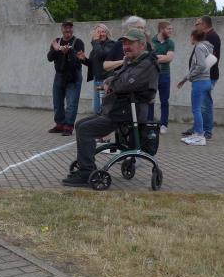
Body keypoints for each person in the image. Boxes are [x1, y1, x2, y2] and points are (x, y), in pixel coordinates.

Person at [62, 28, 159, 187]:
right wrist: (109, 82)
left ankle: (86, 172)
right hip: (118, 109)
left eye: (130, 43)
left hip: (129, 112)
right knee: (80, 125)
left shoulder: (147, 63)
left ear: (142, 45)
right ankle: (86, 165)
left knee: (86, 129)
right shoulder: (132, 61)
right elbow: (116, 77)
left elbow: (124, 84)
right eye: (124, 43)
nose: (126, 47)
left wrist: (111, 83)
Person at [182, 16, 220, 139]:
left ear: (204, 25)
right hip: (203, 77)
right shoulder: (205, 38)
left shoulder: (212, 37)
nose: (195, 26)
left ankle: (205, 131)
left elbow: (210, 60)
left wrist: (193, 74)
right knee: (201, 105)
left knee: (204, 105)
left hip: (206, 77)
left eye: (197, 24)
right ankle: (198, 129)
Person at [46, 20, 86, 136]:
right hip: (59, 75)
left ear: (72, 29)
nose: (68, 30)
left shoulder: (78, 42)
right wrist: (57, 49)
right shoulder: (57, 41)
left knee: (71, 103)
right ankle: (60, 124)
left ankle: (68, 126)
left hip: (74, 76)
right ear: (62, 29)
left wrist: (68, 51)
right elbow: (49, 58)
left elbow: (78, 60)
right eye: (65, 27)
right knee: (57, 102)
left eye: (70, 27)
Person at [177, 30, 214, 146]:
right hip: (206, 81)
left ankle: (199, 136)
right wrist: (185, 79)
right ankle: (197, 134)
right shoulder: (206, 47)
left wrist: (189, 76)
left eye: (190, 37)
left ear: (193, 37)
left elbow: (201, 66)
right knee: (199, 109)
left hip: (200, 82)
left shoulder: (199, 47)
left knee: (196, 109)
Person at [148, 21, 176, 133]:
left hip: (165, 74)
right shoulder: (151, 41)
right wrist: (161, 57)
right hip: (152, 74)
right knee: (150, 99)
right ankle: (149, 122)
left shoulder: (170, 43)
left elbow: (169, 58)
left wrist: (155, 57)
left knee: (164, 100)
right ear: (161, 29)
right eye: (169, 29)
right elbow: (147, 57)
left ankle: (164, 124)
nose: (171, 31)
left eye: (171, 29)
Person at [87, 24, 114, 115]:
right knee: (97, 109)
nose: (101, 34)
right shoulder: (97, 46)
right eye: (98, 32)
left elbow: (101, 55)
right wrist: (83, 59)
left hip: (106, 80)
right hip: (97, 79)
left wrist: (95, 41)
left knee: (103, 110)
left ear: (107, 33)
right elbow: (92, 63)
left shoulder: (110, 44)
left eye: (103, 32)